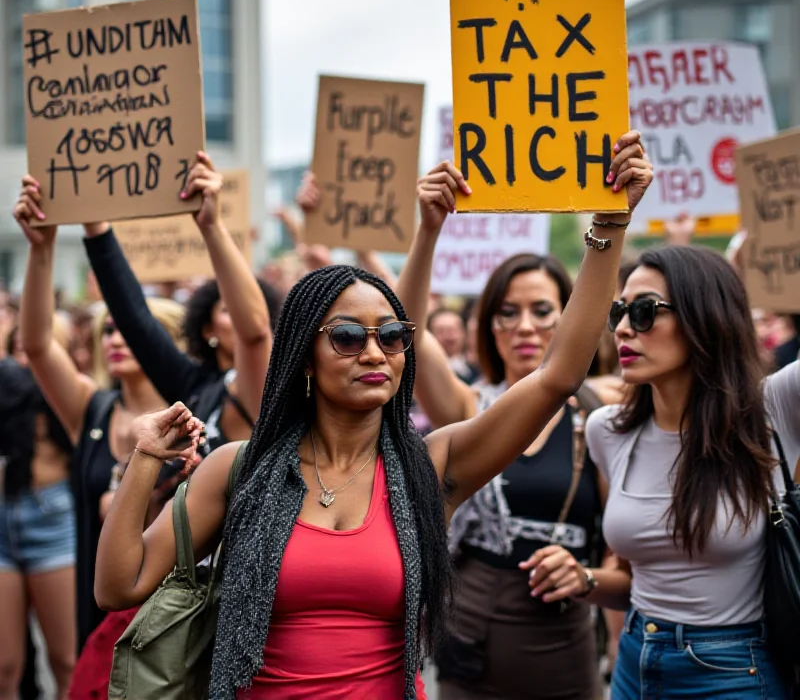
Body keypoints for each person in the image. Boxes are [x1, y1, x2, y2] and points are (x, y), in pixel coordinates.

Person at [92, 134, 651, 699]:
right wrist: (143, 458)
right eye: (347, 336)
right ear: (304, 357)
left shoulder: (432, 467)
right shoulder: (240, 468)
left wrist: (609, 224)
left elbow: (557, 375)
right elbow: (120, 585)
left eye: (390, 336)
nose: (373, 352)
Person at [394, 133, 649, 699]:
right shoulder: (466, 412)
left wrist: (584, 580)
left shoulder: (600, 416)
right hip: (470, 648)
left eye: (542, 311)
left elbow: (628, 565)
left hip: (562, 652)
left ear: (572, 317)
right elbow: (402, 338)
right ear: (488, 325)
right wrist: (428, 230)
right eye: (507, 312)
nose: (525, 327)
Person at [533, 245, 798, 698]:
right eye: (620, 311)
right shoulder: (607, 432)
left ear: (705, 317)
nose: (621, 329)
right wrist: (587, 579)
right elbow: (637, 576)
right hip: (636, 665)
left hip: (734, 672)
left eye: (643, 311)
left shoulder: (773, 407)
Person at [14, 178, 186, 652]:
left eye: (129, 329)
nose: (114, 338)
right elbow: (35, 345)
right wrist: (41, 249)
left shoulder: (199, 415)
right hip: (101, 617)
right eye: (107, 329)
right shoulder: (92, 404)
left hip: (176, 625)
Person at [81, 152, 275, 450]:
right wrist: (96, 228)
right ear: (207, 329)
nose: (241, 314)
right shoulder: (194, 387)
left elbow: (254, 331)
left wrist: (212, 227)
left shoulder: (273, 387)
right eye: (227, 309)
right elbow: (135, 320)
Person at [0, 345, 76, 699]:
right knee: (4, 667)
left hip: (51, 519)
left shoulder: (69, 388)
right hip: (4, 518)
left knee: (66, 660)